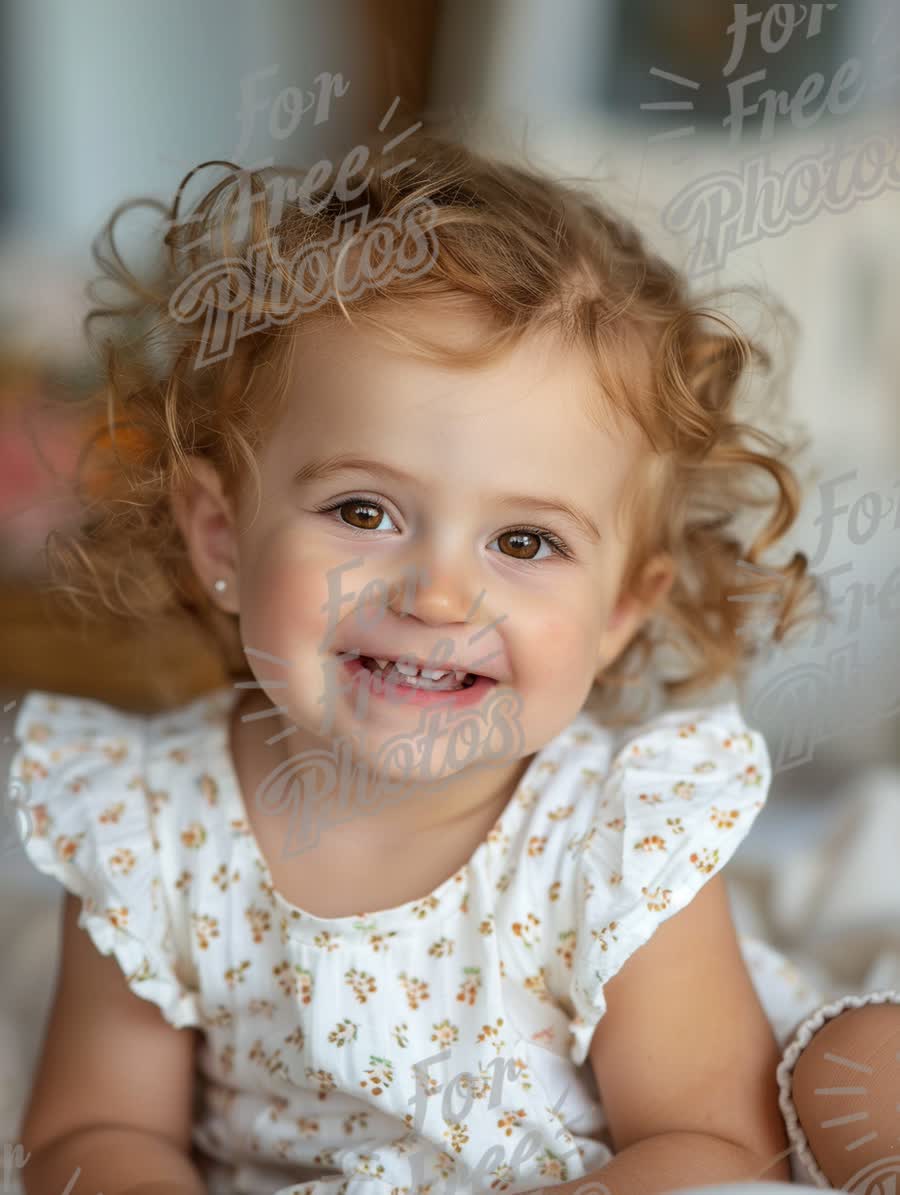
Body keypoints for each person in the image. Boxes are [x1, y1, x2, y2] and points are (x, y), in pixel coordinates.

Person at [8, 130, 873, 1195]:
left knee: (861, 1072)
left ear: (621, 611)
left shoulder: (614, 830)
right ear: (222, 535)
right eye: (363, 510)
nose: (439, 594)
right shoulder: (146, 821)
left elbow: (716, 1147)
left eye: (525, 542)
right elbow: (93, 1130)